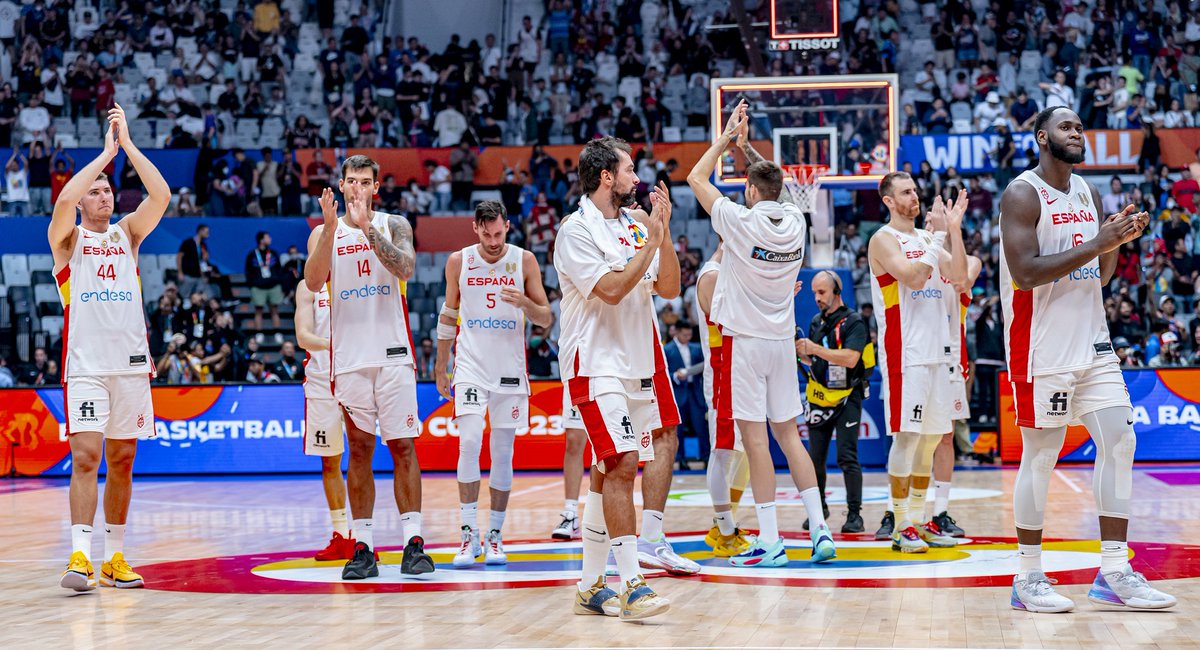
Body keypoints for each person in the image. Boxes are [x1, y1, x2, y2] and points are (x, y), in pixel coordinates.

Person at [1000, 106, 1175, 612]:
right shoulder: (1022, 193)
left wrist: (1115, 240)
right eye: (1066, 127)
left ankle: (1115, 570)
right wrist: (1099, 240)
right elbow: (1026, 273)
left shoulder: (1087, 192)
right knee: (1042, 454)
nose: (1077, 133)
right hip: (1042, 346)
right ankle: (1028, 577)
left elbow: (1099, 276)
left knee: (1121, 439)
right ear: (1041, 136)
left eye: (1080, 127)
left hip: (1093, 342)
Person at [687, 99, 835, 567]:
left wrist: (727, 139)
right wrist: (749, 150)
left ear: (748, 190)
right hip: (780, 342)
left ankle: (771, 541)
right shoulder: (795, 223)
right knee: (791, 438)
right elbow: (776, 185)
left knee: (755, 444)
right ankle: (821, 532)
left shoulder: (737, 220)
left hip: (746, 344)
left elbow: (695, 179)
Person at [50, 104, 170, 591]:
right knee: (86, 457)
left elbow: (160, 194)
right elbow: (61, 204)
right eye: (95, 191)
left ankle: (115, 557)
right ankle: (79, 555)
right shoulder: (69, 240)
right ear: (83, 200)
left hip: (131, 368)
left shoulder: (128, 235)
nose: (103, 195)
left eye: (107, 189)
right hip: (86, 368)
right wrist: (102, 155)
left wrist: (128, 146)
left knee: (122, 460)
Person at [554, 136, 673, 620]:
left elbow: (667, 288)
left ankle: (588, 587)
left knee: (607, 472)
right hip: (593, 363)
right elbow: (612, 289)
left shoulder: (637, 225)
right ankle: (633, 584)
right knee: (623, 462)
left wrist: (661, 235)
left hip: (635, 365)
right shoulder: (575, 229)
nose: (636, 179)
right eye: (629, 171)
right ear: (607, 177)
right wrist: (653, 243)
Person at [303, 154, 434, 580]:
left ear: (376, 187)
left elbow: (406, 268)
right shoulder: (325, 232)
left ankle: (414, 543)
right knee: (358, 450)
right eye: (350, 181)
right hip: (351, 359)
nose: (357, 188)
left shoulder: (395, 223)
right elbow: (312, 280)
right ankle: (363, 546)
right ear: (340, 186)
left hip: (393, 354)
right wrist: (329, 229)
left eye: (365, 181)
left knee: (402, 446)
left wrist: (366, 229)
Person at [435, 200, 553, 567]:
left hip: (509, 370)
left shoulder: (524, 260)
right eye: (485, 233)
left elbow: (546, 318)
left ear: (507, 226)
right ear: (475, 228)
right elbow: (448, 313)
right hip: (470, 365)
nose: (492, 240)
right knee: (468, 443)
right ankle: (468, 534)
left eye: (498, 233)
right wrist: (442, 365)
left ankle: (496, 535)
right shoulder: (459, 261)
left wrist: (525, 304)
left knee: (503, 453)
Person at [868, 173, 969, 553]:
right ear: (890, 201)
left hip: (938, 354)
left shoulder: (928, 238)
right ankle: (899, 524)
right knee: (907, 438)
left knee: (929, 441)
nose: (916, 196)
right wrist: (940, 237)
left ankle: (920, 519)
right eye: (907, 192)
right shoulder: (883, 239)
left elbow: (959, 278)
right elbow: (912, 277)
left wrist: (953, 230)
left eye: (915, 191)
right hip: (905, 353)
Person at [796, 270, 871, 534]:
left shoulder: (854, 322)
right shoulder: (817, 321)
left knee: (846, 457)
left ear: (837, 291)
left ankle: (854, 515)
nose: (817, 298)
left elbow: (850, 358)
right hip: (819, 396)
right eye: (814, 293)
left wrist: (813, 349)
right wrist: (802, 355)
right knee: (814, 459)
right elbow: (818, 360)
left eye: (822, 292)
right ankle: (820, 509)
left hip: (847, 395)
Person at [693, 244, 753, 557]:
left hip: (740, 372)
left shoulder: (728, 273)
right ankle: (725, 530)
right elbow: (736, 321)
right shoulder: (712, 276)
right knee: (724, 452)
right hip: (721, 374)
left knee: (743, 453)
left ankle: (723, 525)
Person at [295, 281, 354, 560]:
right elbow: (303, 336)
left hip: (356, 376)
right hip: (320, 384)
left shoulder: (354, 274)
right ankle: (342, 535)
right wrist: (335, 344)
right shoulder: (308, 287)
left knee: (362, 456)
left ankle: (362, 536)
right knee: (330, 460)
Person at [663, 322, 706, 466]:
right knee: (678, 430)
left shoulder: (697, 348)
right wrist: (675, 375)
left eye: (690, 335)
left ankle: (706, 457)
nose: (688, 338)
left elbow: (706, 366)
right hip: (678, 392)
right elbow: (662, 373)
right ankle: (680, 459)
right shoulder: (667, 349)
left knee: (701, 426)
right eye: (685, 335)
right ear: (677, 333)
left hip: (695, 391)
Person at [245, 231, 284, 337]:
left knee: (274, 310)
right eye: (268, 237)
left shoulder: (273, 253)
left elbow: (279, 269)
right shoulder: (252, 255)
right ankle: (259, 333)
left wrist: (278, 281)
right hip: (258, 287)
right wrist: (252, 284)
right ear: (261, 240)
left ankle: (277, 332)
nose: (270, 239)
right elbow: (248, 271)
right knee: (258, 310)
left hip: (273, 286)